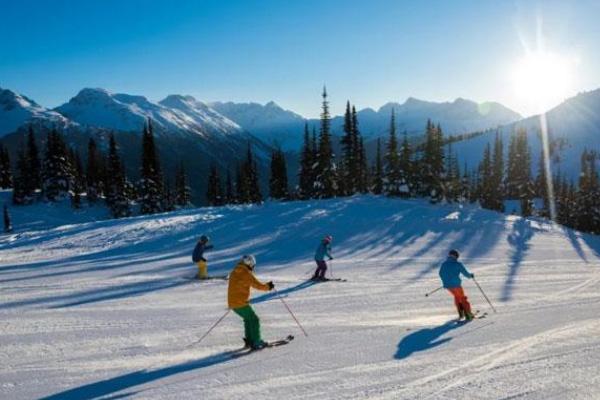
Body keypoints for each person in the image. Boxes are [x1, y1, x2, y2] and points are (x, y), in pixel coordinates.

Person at [228, 254, 274, 350]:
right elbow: (258, 285)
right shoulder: (246, 273)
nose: (253, 267)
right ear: (250, 264)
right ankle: (257, 342)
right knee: (254, 319)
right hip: (240, 302)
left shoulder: (235, 271)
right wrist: (268, 286)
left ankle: (249, 341)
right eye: (253, 265)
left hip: (233, 302)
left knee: (248, 319)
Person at [439, 249, 475, 321]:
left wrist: (445, 281)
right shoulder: (458, 264)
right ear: (456, 256)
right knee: (462, 298)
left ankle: (461, 313)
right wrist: (471, 276)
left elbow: (440, 273)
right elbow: (466, 274)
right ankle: (468, 314)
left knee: (457, 297)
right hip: (456, 285)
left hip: (448, 286)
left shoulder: (444, 264)